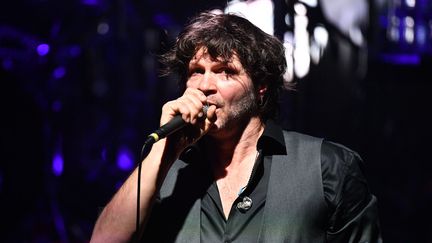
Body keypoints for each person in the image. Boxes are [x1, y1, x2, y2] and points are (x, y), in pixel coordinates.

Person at [91, 11, 381, 242]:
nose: (205, 85)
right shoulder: (164, 173)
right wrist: (161, 154)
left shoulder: (328, 167)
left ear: (262, 86)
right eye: (196, 72)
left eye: (225, 72)